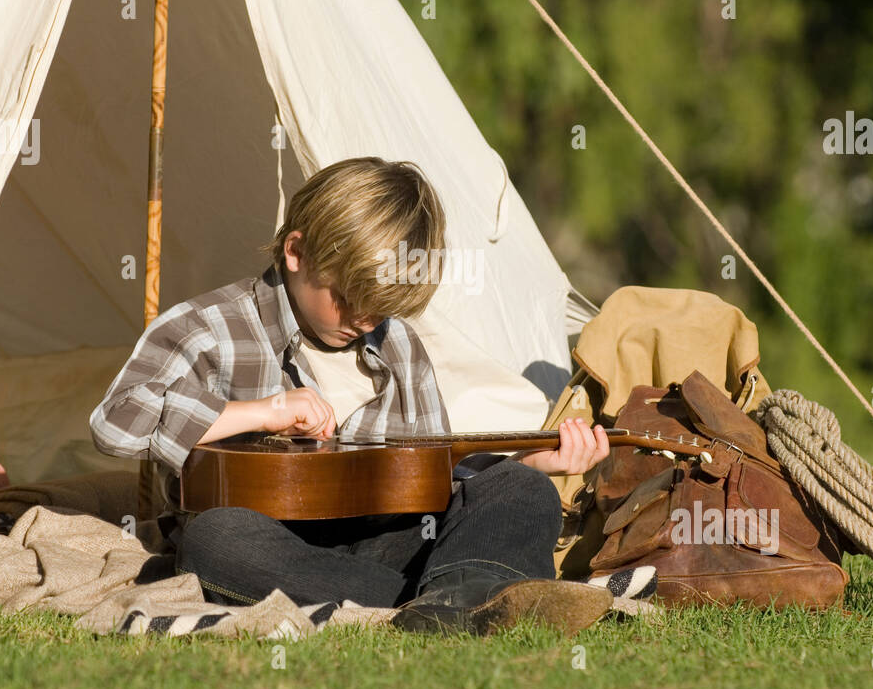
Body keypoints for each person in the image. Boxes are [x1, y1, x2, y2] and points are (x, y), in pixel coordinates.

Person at [89, 157, 612, 635]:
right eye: (347, 299)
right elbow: (116, 421)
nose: (364, 320)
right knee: (215, 542)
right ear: (295, 251)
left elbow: (426, 478)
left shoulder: (398, 346)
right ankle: (460, 602)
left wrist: (526, 462)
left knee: (520, 489)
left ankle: (449, 602)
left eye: (380, 308)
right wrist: (265, 412)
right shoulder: (207, 329)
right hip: (273, 544)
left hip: (384, 539)